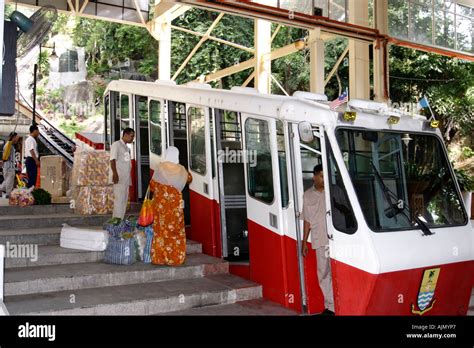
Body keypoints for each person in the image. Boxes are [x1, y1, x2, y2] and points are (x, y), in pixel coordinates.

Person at [150, 146, 192, 266]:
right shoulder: (182, 169)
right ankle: (175, 258)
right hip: (175, 205)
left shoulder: (160, 167)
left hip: (161, 205)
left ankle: (159, 258)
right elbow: (189, 179)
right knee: (175, 230)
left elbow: (152, 185)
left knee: (160, 230)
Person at [301, 164, 335, 315]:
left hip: (337, 240)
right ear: (314, 177)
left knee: (337, 272)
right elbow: (307, 221)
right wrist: (304, 243)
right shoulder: (307, 195)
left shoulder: (333, 192)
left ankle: (337, 304)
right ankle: (331, 307)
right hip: (320, 240)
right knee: (324, 273)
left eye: (325, 176)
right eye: (321, 176)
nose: (323, 179)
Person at [110, 128, 135, 219]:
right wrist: (115, 174)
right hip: (119, 177)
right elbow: (112, 160)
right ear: (125, 135)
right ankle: (116, 222)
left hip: (125, 178)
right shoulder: (116, 145)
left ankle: (120, 220)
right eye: (131, 136)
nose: (132, 139)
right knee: (119, 201)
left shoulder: (126, 148)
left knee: (124, 201)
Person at [0, 132, 20, 197]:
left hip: (7, 166)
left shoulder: (9, 145)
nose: (17, 139)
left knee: (7, 180)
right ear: (13, 137)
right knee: (9, 180)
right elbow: (6, 156)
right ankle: (8, 194)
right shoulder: (8, 145)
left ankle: (2, 190)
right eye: (16, 137)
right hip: (9, 166)